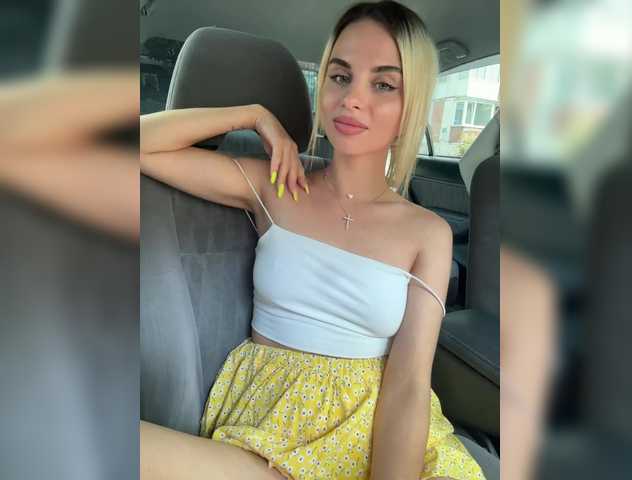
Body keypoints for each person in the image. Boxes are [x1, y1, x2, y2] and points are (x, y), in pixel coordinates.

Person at [140, 1, 486, 479]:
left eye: (383, 84)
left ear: (411, 106)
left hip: (379, 432)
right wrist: (252, 115)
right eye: (340, 76)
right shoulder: (274, 185)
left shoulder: (428, 233)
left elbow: (408, 385)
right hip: (271, 430)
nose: (352, 99)